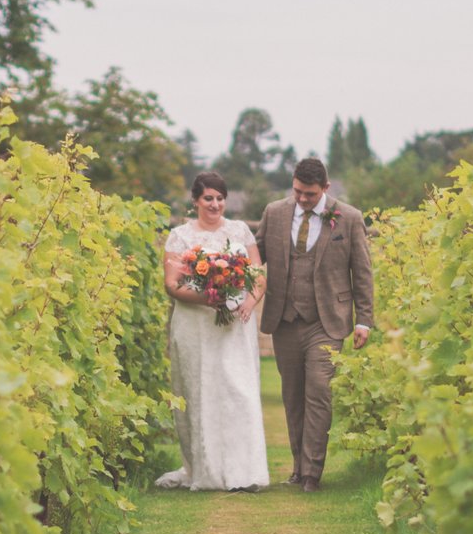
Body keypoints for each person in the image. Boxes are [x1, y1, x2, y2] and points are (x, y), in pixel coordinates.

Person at [257, 156, 374, 493]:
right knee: (292, 395)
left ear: (325, 188)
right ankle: (297, 467)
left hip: (327, 320)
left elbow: (362, 272)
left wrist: (364, 319)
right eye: (297, 192)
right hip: (284, 318)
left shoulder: (349, 218)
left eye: (309, 194)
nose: (302, 199)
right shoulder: (274, 213)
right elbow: (256, 256)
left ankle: (312, 472)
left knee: (320, 391)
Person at [154, 171, 270, 492]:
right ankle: (206, 469)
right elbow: (172, 285)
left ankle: (244, 473)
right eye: (208, 198)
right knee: (202, 391)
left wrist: (249, 301)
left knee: (238, 391)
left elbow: (257, 273)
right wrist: (210, 298)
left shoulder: (240, 231)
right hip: (195, 325)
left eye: (220, 198)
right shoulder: (179, 236)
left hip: (235, 326)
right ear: (195, 201)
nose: (215, 204)